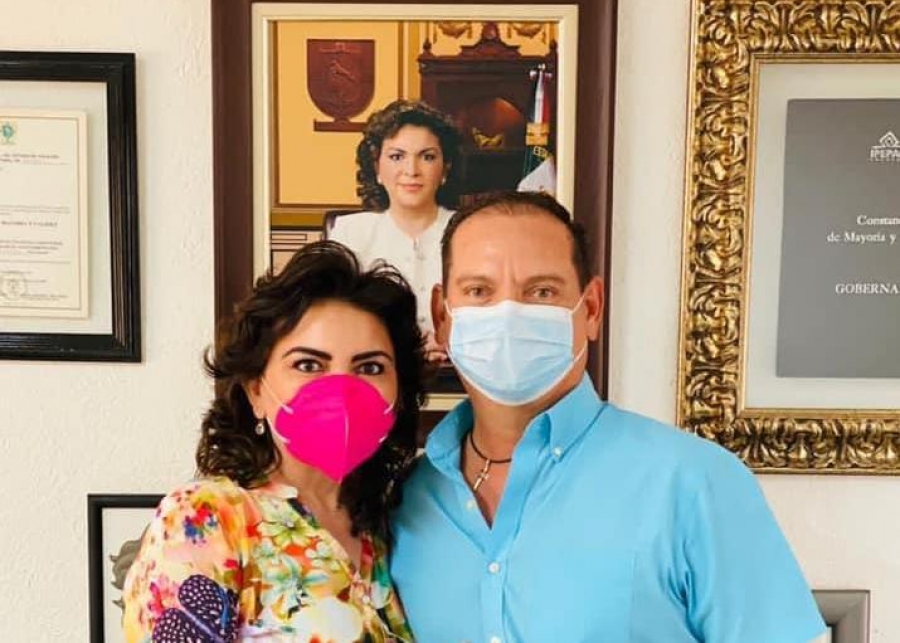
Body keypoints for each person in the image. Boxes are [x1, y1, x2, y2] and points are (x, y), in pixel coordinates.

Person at [390, 191, 826, 643]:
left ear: (592, 309)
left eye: (541, 291)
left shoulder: (694, 482)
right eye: (479, 291)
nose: (508, 314)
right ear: (442, 315)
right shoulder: (405, 501)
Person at [123, 241, 422, 643]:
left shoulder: (390, 524)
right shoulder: (208, 518)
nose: (341, 388)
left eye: (370, 367)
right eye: (308, 364)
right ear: (255, 391)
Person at [328, 99, 462, 361]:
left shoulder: (469, 230)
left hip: (455, 370)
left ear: (445, 169)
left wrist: (452, 343)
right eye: (397, 156)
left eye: (427, 157)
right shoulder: (349, 233)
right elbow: (333, 317)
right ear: (377, 167)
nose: (411, 170)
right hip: (372, 367)